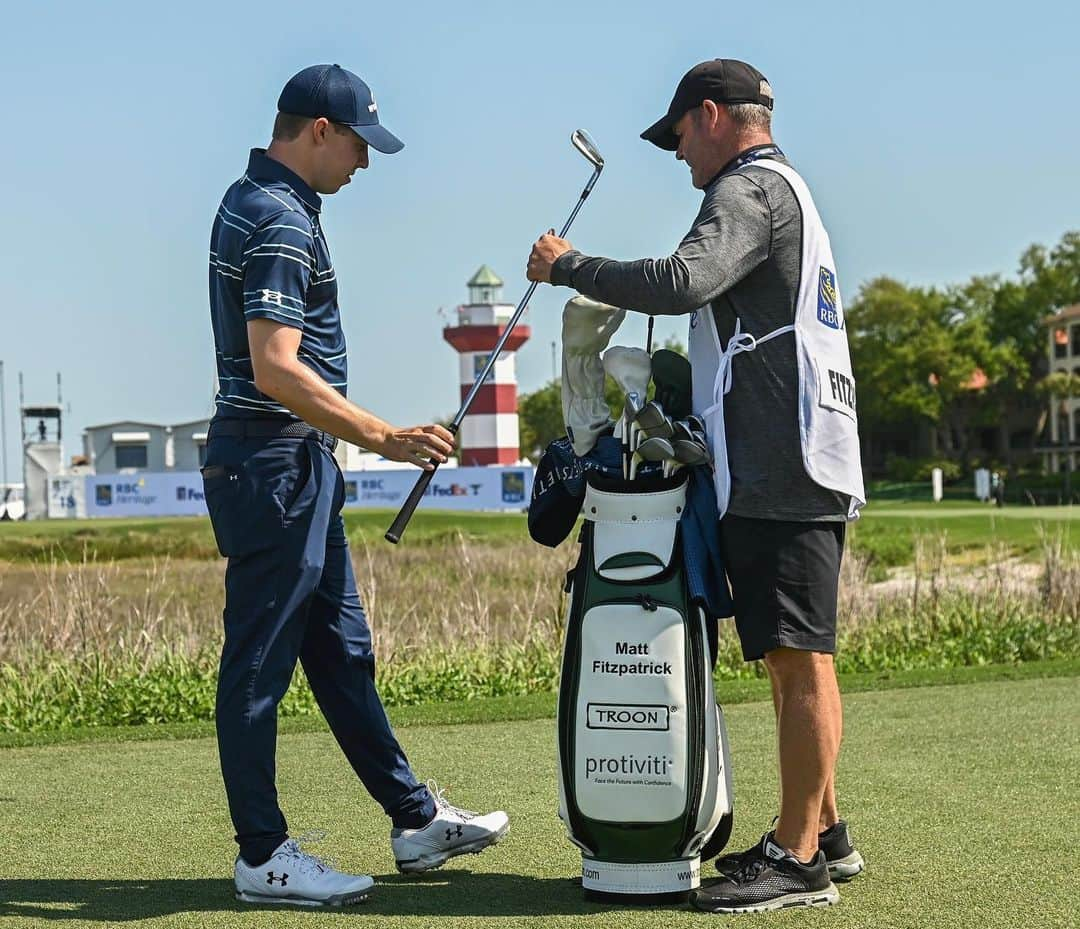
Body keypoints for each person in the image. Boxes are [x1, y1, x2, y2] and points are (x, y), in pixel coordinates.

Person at [526, 59, 866, 915]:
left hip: (781, 460)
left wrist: (571, 267)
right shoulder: (783, 189)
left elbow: (684, 281)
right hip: (797, 454)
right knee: (800, 653)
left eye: (678, 135)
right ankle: (824, 831)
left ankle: (795, 860)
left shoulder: (748, 191)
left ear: (711, 116)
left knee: (797, 661)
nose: (678, 156)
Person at [204, 63, 509, 907]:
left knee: (341, 651)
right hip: (273, 461)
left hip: (292, 462)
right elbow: (275, 367)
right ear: (320, 131)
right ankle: (263, 855)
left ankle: (414, 819)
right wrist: (383, 435)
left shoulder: (261, 199)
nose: (366, 166)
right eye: (360, 146)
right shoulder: (276, 217)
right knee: (259, 664)